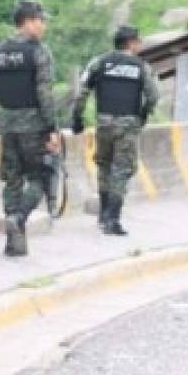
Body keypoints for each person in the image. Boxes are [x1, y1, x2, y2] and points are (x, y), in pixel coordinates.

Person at [0, 0, 60, 258]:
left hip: (6, 126)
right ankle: (20, 216)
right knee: (41, 177)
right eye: (41, 20)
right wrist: (51, 128)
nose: (43, 26)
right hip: (34, 125)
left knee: (12, 181)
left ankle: (14, 245)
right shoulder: (39, 52)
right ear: (29, 21)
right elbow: (44, 93)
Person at [71, 25, 159, 236]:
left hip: (104, 122)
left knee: (104, 164)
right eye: (138, 41)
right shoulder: (141, 67)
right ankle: (113, 219)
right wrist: (144, 114)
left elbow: (82, 93)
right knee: (122, 168)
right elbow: (153, 95)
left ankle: (103, 213)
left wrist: (77, 118)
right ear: (130, 43)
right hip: (127, 124)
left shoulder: (99, 63)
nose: (140, 44)